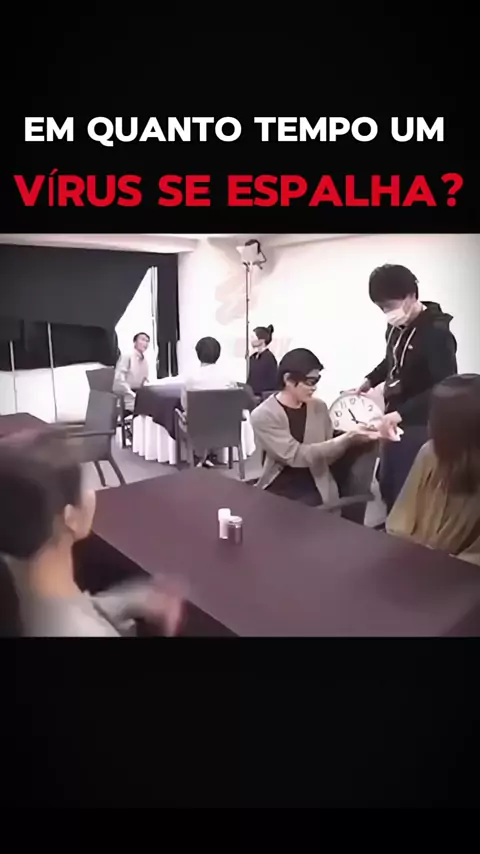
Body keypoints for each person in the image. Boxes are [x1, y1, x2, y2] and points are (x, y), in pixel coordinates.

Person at [0, 430, 184, 637]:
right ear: (71, 518)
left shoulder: (15, 570)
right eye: (85, 486)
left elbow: (65, 609)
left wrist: (136, 600)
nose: (91, 493)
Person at [354, 264, 458, 512]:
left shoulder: (437, 333)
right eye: (381, 308)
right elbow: (392, 360)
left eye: (389, 306)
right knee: (387, 483)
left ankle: (405, 532)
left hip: (420, 422)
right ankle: (392, 525)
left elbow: (445, 386)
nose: (387, 313)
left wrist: (402, 414)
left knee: (408, 489)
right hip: (393, 415)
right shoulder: (394, 326)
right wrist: (370, 380)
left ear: (411, 296)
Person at [251, 348, 379, 507]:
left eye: (317, 381)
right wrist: (347, 438)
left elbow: (330, 453)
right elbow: (296, 455)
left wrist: (359, 435)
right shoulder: (263, 415)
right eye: (310, 382)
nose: (314, 388)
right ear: (288, 379)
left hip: (317, 484)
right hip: (281, 487)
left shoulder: (319, 407)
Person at [386, 375, 480, 565]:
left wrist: (444, 564)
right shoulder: (429, 453)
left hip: (461, 572)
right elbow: (400, 520)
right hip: (415, 560)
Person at [113, 331, 151, 412]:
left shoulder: (145, 360)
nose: (145, 343)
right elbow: (119, 380)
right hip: (127, 396)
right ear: (135, 342)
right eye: (142, 340)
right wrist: (131, 393)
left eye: (147, 341)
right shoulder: (127, 356)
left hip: (139, 395)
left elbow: (144, 381)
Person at [247, 325, 278, 397]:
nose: (251, 340)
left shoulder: (269, 358)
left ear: (262, 340)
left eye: (253, 337)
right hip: (252, 395)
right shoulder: (253, 357)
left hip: (263, 397)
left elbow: (271, 382)